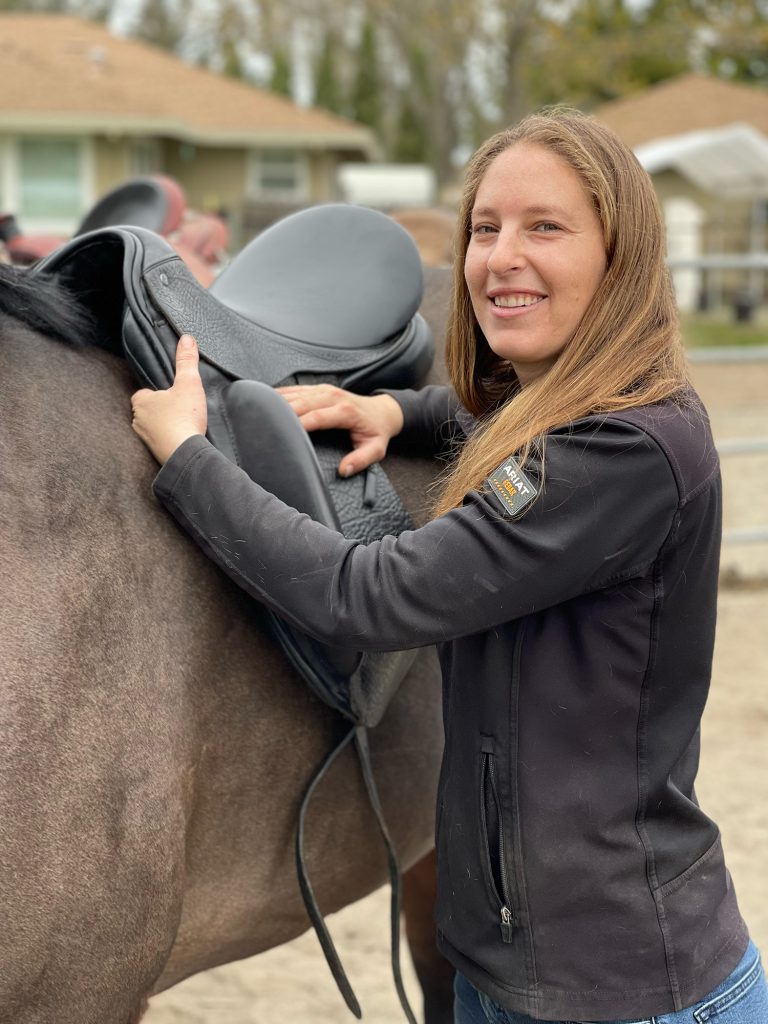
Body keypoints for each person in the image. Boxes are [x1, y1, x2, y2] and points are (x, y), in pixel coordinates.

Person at [130, 108, 768, 1023]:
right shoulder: (565, 410)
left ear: (621, 254)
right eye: (485, 227)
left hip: (621, 989)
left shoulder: (623, 451)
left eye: (545, 226)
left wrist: (189, 459)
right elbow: (500, 422)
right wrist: (401, 412)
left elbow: (369, 594)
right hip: (497, 965)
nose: (501, 256)